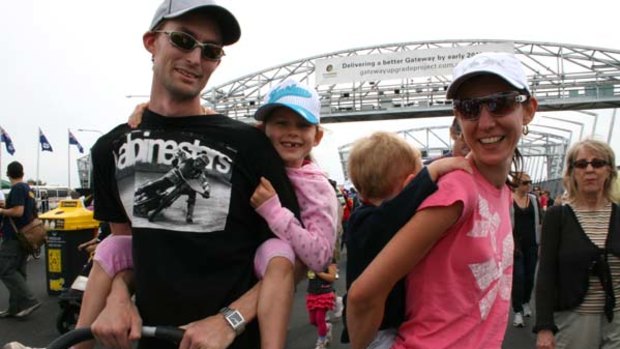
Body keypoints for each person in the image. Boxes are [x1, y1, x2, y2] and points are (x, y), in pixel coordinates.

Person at [85, 1, 300, 349]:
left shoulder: (250, 144)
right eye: (184, 41)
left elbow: (295, 255)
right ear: (152, 42)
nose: (196, 60)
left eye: (211, 51)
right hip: (151, 340)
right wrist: (118, 295)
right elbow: (125, 250)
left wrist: (230, 320)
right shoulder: (109, 149)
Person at [346, 51, 537, 349]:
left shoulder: (499, 189)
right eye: (470, 108)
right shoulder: (457, 189)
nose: (485, 122)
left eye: (500, 103)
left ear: (528, 110)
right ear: (459, 117)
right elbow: (362, 296)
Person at [341, 131, 470, 349]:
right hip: (378, 332)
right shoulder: (367, 222)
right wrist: (431, 173)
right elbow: (393, 212)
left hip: (383, 323)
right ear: (410, 185)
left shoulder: (364, 220)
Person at [249, 78, 338, 349]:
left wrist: (274, 212)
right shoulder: (251, 160)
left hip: (267, 278)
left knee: (277, 250)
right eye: (281, 123)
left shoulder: (317, 187)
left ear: (317, 136)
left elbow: (320, 255)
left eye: (302, 125)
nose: (292, 133)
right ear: (261, 129)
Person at [534, 139, 620, 349]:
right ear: (572, 172)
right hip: (574, 320)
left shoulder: (618, 215)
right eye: (581, 164)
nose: (589, 169)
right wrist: (545, 327)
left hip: (617, 321)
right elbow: (546, 273)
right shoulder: (558, 216)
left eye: (598, 163)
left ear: (609, 170)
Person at [0, 161, 41, 319]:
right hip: (26, 236)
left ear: (8, 174)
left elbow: (18, 211)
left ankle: (29, 300)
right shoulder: (27, 188)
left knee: (5, 269)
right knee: (18, 271)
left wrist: (2, 210)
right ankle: (15, 307)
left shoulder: (17, 188)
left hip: (14, 237)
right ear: (22, 173)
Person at [510, 172, 541, 327]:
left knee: (530, 277)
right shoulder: (508, 200)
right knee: (518, 278)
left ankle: (526, 302)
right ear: (516, 184)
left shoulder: (534, 200)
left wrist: (540, 243)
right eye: (524, 182)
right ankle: (517, 312)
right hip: (516, 247)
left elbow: (540, 221)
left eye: (530, 182)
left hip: (532, 245)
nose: (528, 185)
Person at [307, 260, 338, 349]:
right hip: (312, 293)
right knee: (313, 321)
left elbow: (332, 277)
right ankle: (327, 327)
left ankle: (321, 341)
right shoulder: (310, 261)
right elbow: (310, 276)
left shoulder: (328, 260)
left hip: (325, 293)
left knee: (320, 318)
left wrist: (319, 273)